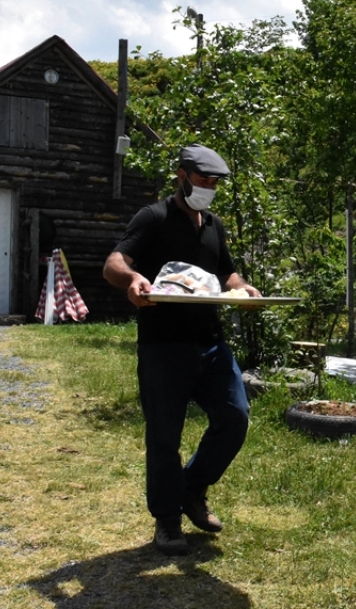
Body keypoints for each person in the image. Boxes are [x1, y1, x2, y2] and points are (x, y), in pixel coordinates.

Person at [103, 144, 261, 556]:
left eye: (214, 183)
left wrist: (242, 288)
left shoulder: (213, 225)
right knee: (164, 436)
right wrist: (134, 279)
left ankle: (193, 489)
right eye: (203, 179)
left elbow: (225, 271)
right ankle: (167, 521)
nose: (209, 187)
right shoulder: (153, 218)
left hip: (210, 342)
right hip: (163, 346)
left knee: (235, 416)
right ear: (182, 175)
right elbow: (114, 263)